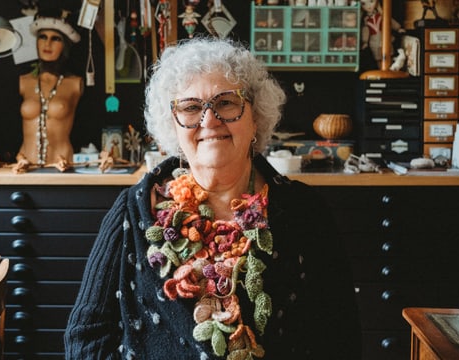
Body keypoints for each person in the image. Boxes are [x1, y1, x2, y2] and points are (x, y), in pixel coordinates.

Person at [64, 36, 361, 359]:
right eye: (191, 107)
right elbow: (86, 336)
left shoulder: (306, 212)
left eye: (226, 103)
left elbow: (340, 337)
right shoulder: (133, 209)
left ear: (256, 116)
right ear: (173, 126)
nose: (209, 121)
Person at [15, 8, 83, 172]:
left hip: (62, 165)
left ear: (65, 44)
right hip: (25, 165)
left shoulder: (75, 83)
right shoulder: (24, 82)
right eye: (43, 37)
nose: (48, 44)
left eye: (56, 39)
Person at [360, 0, 404, 69]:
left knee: (389, 55)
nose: (368, 6)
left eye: (371, 1)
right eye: (363, 4)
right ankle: (382, 70)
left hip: (384, 37)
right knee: (378, 58)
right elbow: (366, 31)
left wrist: (398, 28)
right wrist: (365, 41)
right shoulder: (366, 20)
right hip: (374, 41)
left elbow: (390, 21)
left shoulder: (381, 15)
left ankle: (391, 69)